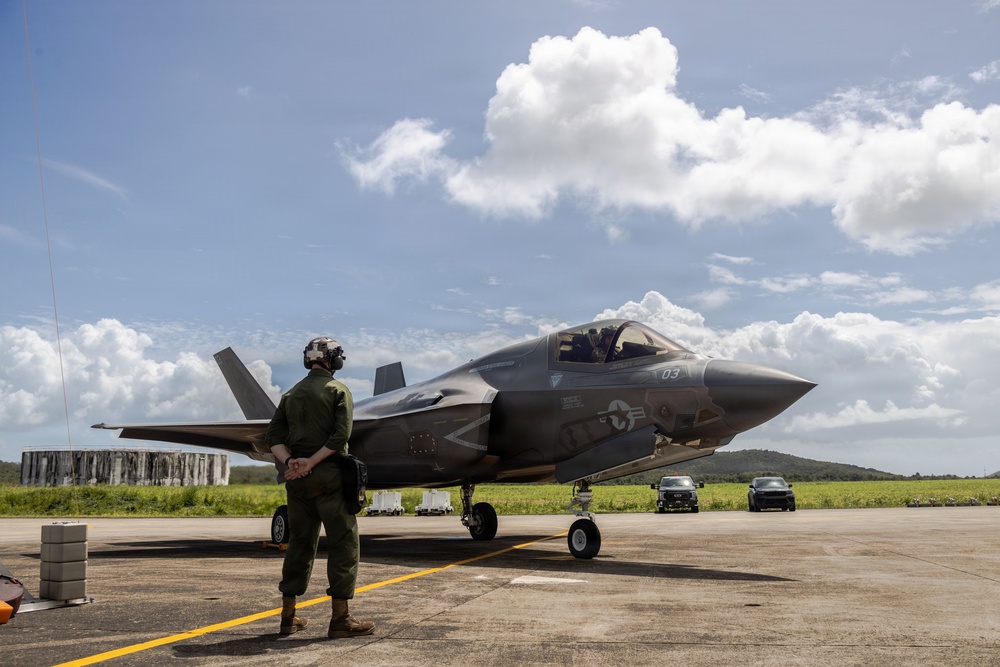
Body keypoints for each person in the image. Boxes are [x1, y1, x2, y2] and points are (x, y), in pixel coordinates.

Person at [265, 336, 375, 639]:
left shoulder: (291, 394)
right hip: (329, 478)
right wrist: (312, 462)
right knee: (343, 542)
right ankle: (340, 620)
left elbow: (272, 435)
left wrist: (292, 463)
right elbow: (341, 437)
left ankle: (288, 617)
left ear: (308, 359)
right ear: (335, 360)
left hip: (297, 482)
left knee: (300, 542)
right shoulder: (338, 390)